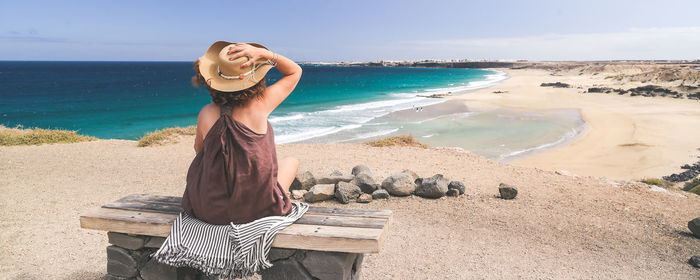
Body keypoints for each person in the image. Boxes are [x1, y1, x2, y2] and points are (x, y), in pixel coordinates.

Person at [181, 41, 303, 225]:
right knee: (291, 162)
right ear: (255, 78)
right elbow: (295, 71)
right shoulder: (261, 104)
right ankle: (280, 195)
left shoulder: (206, 113)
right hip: (257, 211)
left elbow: (199, 151)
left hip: (210, 210)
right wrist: (266, 54)